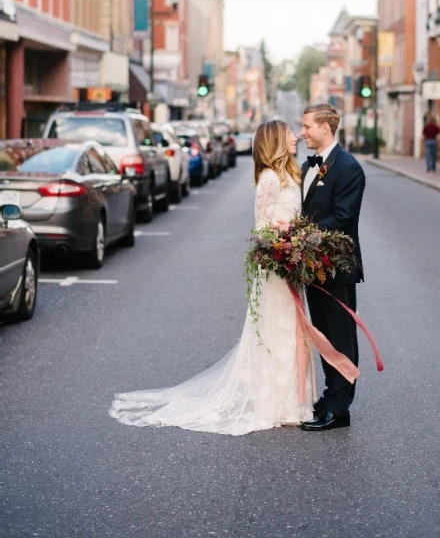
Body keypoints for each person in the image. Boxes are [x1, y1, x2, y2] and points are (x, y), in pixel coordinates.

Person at [109, 120, 313, 435]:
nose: (296, 137)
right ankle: (276, 404)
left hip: (290, 266)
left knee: (292, 334)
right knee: (276, 334)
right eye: (290, 134)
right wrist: (284, 241)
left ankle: (294, 402)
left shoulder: (290, 175)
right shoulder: (269, 179)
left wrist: (300, 242)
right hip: (275, 269)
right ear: (276, 140)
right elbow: (261, 230)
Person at [278, 103, 366, 432]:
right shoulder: (307, 165)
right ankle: (330, 396)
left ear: (325, 129)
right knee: (324, 336)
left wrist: (301, 237)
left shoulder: (348, 168)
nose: (302, 132)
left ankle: (340, 408)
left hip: (337, 267)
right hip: (313, 267)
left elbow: (343, 218)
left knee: (341, 337)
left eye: (307, 126)